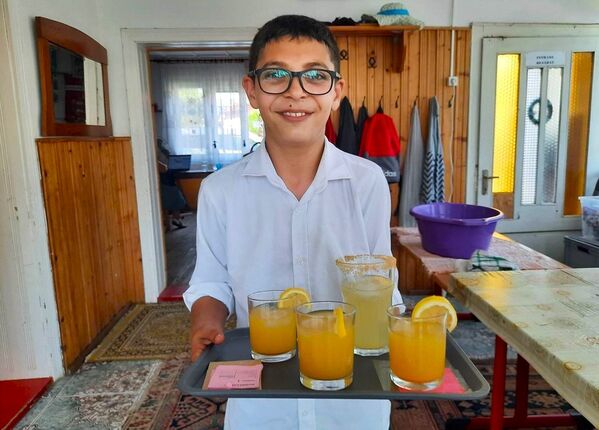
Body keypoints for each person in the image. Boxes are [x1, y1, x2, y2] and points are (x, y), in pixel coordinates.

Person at [184, 14, 402, 429]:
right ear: (252, 90)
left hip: (353, 398)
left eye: (315, 76)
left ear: (336, 92)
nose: (295, 92)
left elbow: (380, 275)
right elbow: (211, 281)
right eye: (276, 75)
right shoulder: (219, 190)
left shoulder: (367, 181)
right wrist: (206, 320)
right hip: (262, 400)